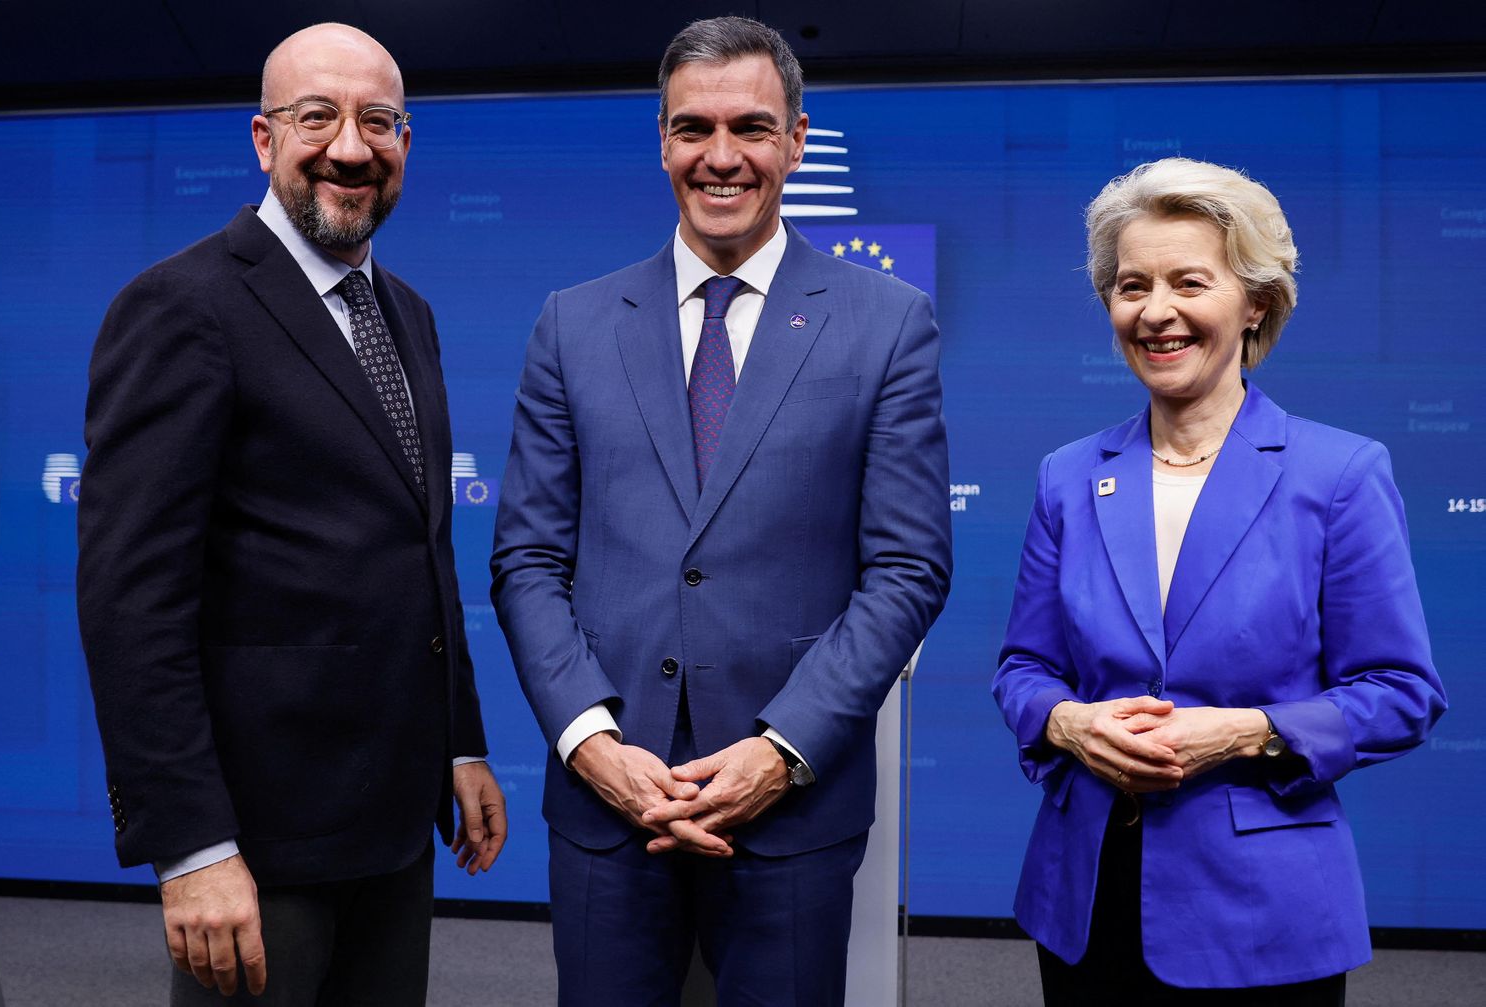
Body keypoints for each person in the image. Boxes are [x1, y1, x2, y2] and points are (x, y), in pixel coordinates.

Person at [490, 15, 951, 1005]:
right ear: (661, 141)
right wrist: (594, 745)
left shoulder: (887, 323)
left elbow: (908, 567)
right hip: (608, 807)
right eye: (693, 128)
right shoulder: (572, 324)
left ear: (795, 138)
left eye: (751, 126)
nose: (722, 156)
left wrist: (781, 750)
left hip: (791, 807)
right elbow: (526, 556)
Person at [77, 23, 505, 1005]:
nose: (350, 147)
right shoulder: (180, 306)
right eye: (318, 117)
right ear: (265, 140)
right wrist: (189, 842)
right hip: (257, 842)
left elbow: (422, 550)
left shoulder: (409, 311)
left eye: (378, 122)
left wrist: (460, 743)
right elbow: (130, 602)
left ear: (405, 144)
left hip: (395, 823)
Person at [993, 157, 1446, 1004]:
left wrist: (1242, 732)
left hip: (1262, 911)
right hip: (1086, 894)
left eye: (1188, 282)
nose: (1155, 311)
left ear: (1256, 303)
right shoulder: (1067, 476)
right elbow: (1022, 670)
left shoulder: (1339, 473)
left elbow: (1401, 692)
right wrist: (1070, 721)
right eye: (1132, 286)